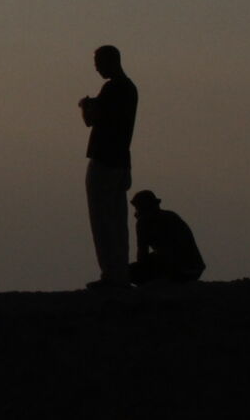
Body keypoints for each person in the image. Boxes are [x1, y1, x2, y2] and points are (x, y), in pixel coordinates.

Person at [78, 45, 139, 289]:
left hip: (104, 160)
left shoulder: (113, 88)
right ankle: (120, 272)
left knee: (102, 221)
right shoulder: (129, 88)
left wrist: (85, 106)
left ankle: (111, 275)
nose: (96, 68)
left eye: (98, 62)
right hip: (121, 161)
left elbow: (91, 120)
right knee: (118, 220)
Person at [130, 190, 206, 285]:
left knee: (129, 272)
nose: (136, 213)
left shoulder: (144, 222)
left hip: (178, 269)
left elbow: (142, 254)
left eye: (137, 208)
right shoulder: (171, 216)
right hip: (193, 268)